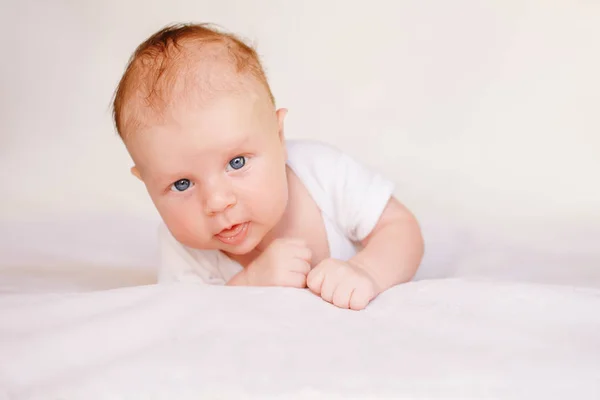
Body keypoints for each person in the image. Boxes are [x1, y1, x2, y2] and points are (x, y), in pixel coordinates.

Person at [111, 23, 424, 310]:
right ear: (147, 184)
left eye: (236, 163)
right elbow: (190, 318)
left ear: (278, 137)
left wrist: (366, 271)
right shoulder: (182, 250)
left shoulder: (321, 172)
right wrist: (248, 283)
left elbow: (400, 229)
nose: (217, 202)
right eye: (182, 184)